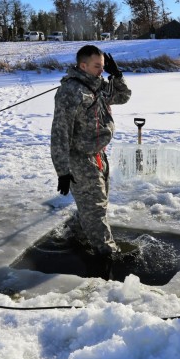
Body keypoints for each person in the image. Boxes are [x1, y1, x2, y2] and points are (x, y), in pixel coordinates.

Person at [50, 45, 132, 279]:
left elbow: (123, 97)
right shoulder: (71, 92)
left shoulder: (99, 86)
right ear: (82, 65)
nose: (101, 72)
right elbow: (60, 133)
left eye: (103, 67)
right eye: (98, 67)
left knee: (97, 203)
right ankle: (108, 256)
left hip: (99, 155)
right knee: (95, 209)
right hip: (80, 159)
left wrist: (117, 77)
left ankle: (75, 234)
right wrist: (63, 170)